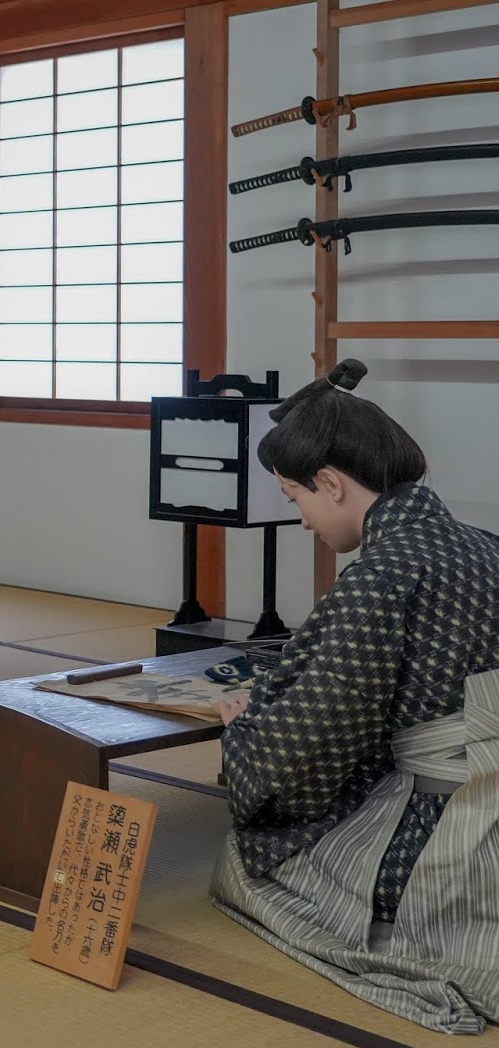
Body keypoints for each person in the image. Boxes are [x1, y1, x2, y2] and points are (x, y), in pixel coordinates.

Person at [210, 359, 499, 1034]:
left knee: (244, 869)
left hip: (448, 819)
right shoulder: (483, 544)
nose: (304, 519)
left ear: (331, 484)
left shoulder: (383, 573)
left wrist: (245, 735)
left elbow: (315, 739)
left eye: (295, 498)